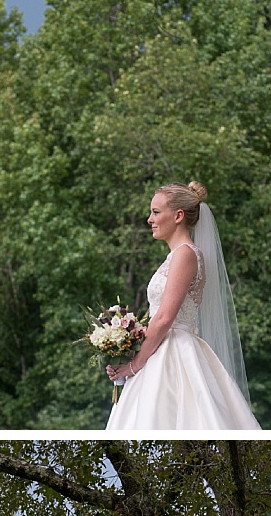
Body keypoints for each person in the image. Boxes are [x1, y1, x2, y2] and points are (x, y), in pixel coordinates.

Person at [104, 182, 260, 431]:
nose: (149, 219)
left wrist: (135, 364)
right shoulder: (177, 255)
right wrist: (129, 350)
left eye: (156, 212)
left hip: (173, 350)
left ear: (178, 216)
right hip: (161, 346)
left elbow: (165, 317)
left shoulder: (185, 254)